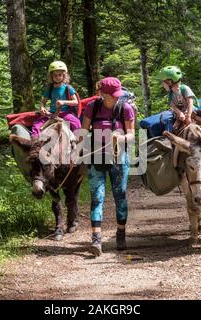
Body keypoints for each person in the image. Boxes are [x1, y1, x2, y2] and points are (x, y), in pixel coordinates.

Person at [81, 77, 135, 256]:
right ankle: (96, 240)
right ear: (102, 94)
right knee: (97, 197)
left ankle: (121, 234)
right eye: (113, 95)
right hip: (97, 156)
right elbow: (83, 132)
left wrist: (120, 138)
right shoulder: (92, 107)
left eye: (118, 94)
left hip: (119, 157)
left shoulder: (125, 108)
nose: (117, 97)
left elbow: (132, 135)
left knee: (120, 195)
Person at [31, 61, 81, 138]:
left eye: (60, 75)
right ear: (51, 76)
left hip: (65, 113)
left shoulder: (68, 88)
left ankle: (79, 143)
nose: (58, 77)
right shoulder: (50, 88)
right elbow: (43, 102)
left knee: (76, 123)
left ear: (64, 75)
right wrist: (42, 108)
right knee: (37, 124)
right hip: (51, 113)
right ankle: (34, 141)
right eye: (55, 75)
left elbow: (76, 102)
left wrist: (63, 102)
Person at [154, 65, 197, 133]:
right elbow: (173, 106)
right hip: (180, 112)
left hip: (190, 110)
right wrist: (180, 113)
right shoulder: (171, 94)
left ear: (170, 82)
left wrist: (188, 115)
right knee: (170, 123)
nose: (162, 85)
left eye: (163, 83)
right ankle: (168, 136)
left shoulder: (185, 89)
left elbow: (190, 102)